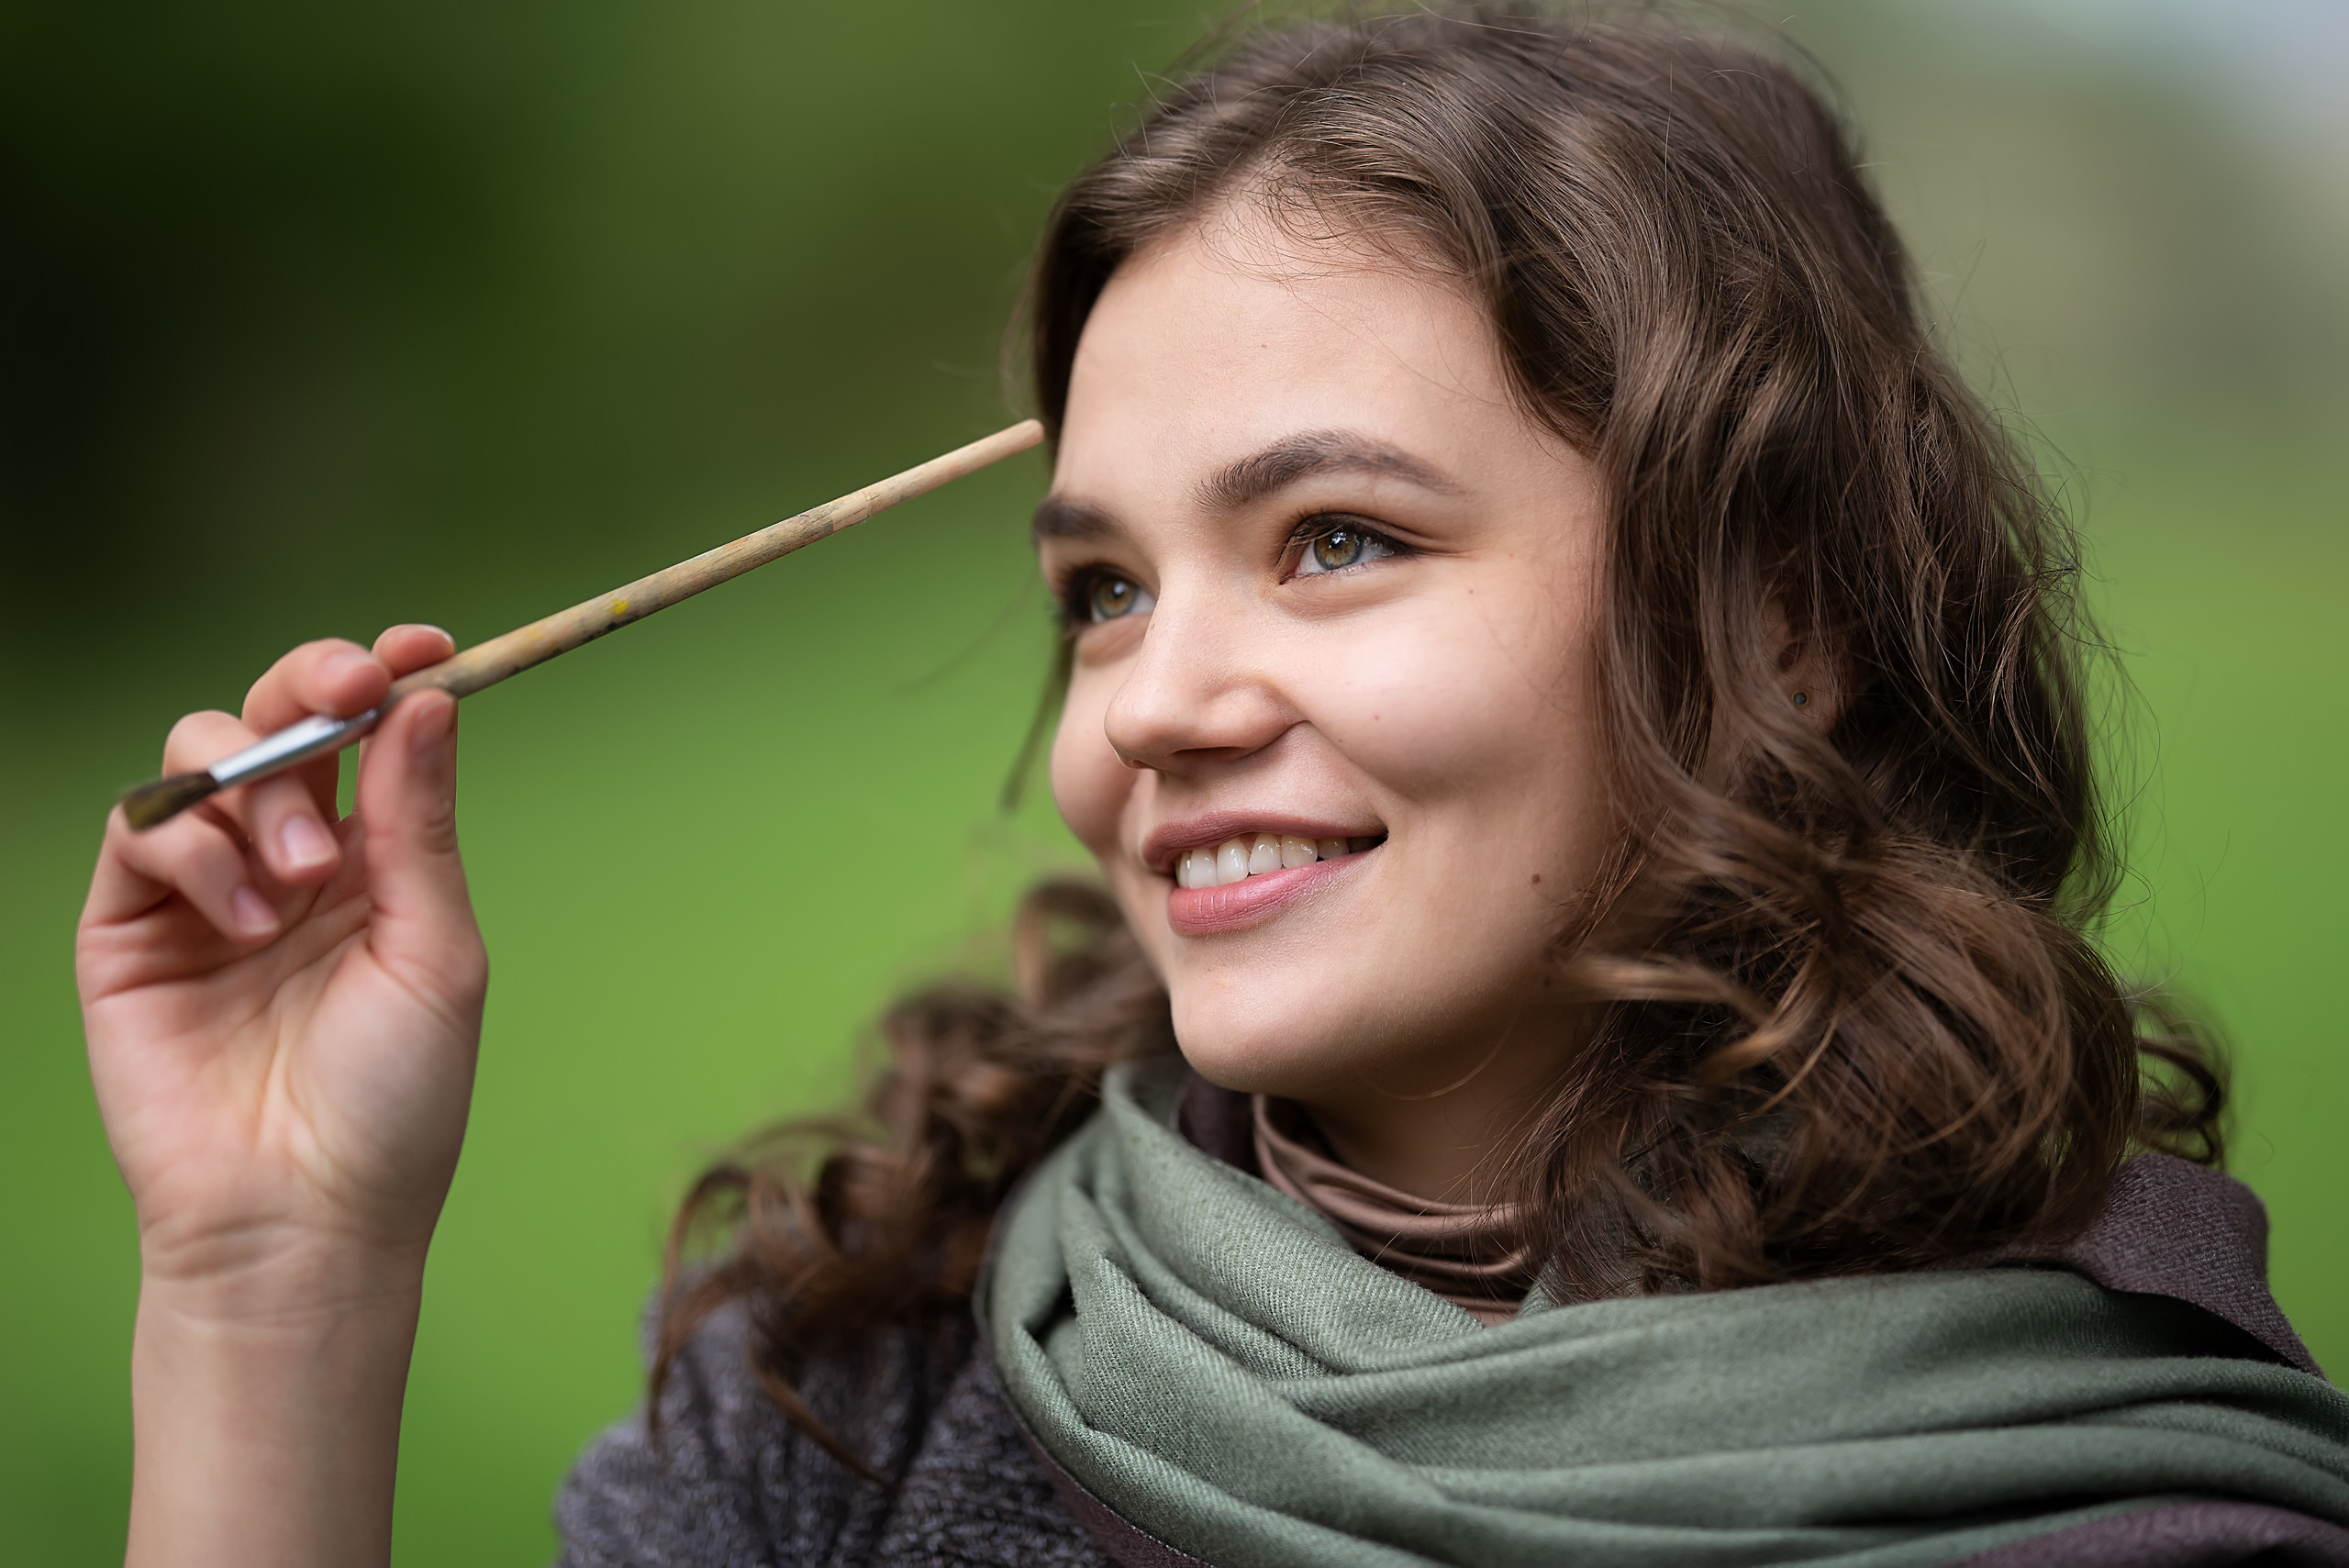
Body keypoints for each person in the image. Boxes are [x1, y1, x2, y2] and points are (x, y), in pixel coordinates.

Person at [74, 6, 2349, 1566]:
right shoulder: (855, 1398)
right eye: (1100, 588)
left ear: (1777, 615)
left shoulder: (2112, 1500)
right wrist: (275, 1273)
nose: (1153, 700)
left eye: (1333, 540)